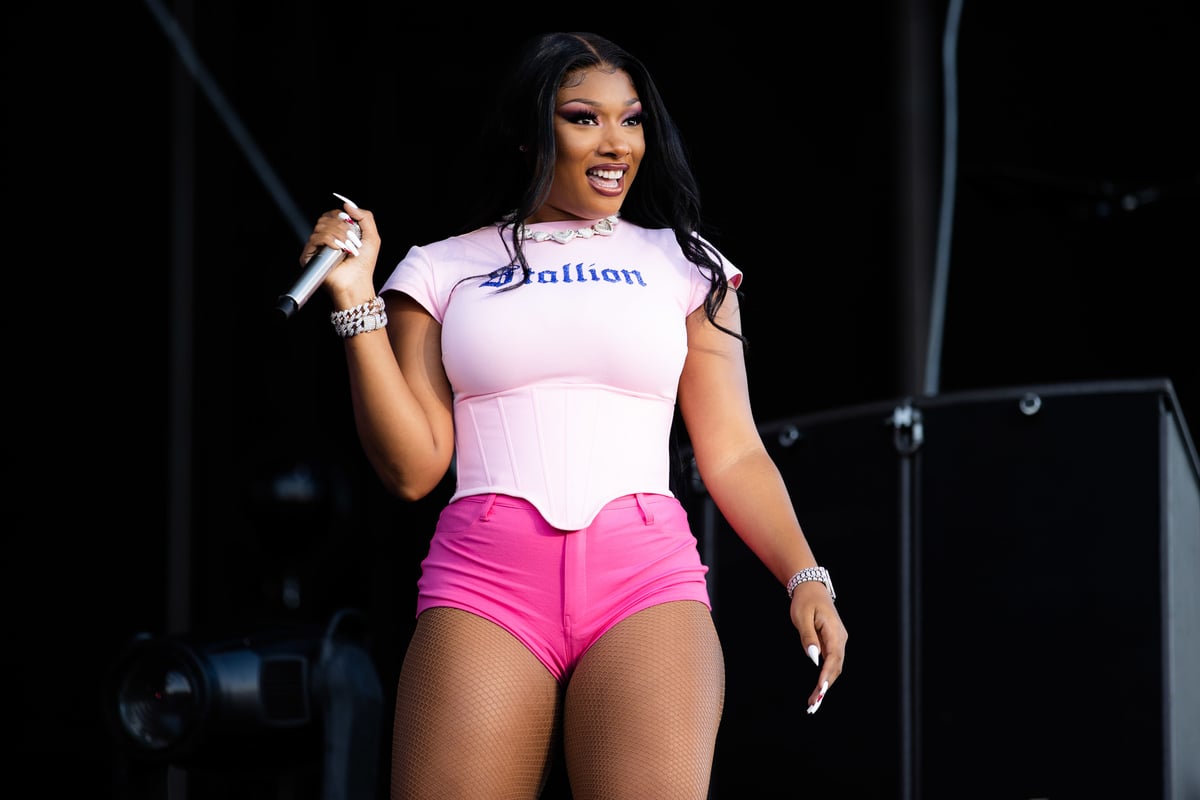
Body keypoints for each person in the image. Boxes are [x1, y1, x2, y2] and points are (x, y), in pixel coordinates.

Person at [298, 31, 848, 800]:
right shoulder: (442, 267)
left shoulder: (686, 263)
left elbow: (731, 449)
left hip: (645, 583)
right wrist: (357, 301)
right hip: (485, 583)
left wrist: (804, 575)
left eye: (632, 119)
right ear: (530, 133)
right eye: (584, 118)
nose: (616, 142)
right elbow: (412, 469)